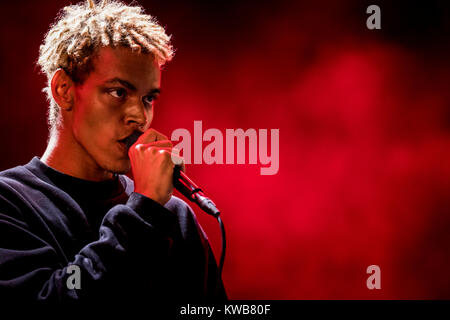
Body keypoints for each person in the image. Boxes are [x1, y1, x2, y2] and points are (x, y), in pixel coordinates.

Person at [0, 0, 226, 305]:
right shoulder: (11, 203)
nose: (139, 116)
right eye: (118, 92)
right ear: (64, 90)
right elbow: (61, 294)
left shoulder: (173, 216)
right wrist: (143, 212)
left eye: (148, 98)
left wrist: (149, 210)